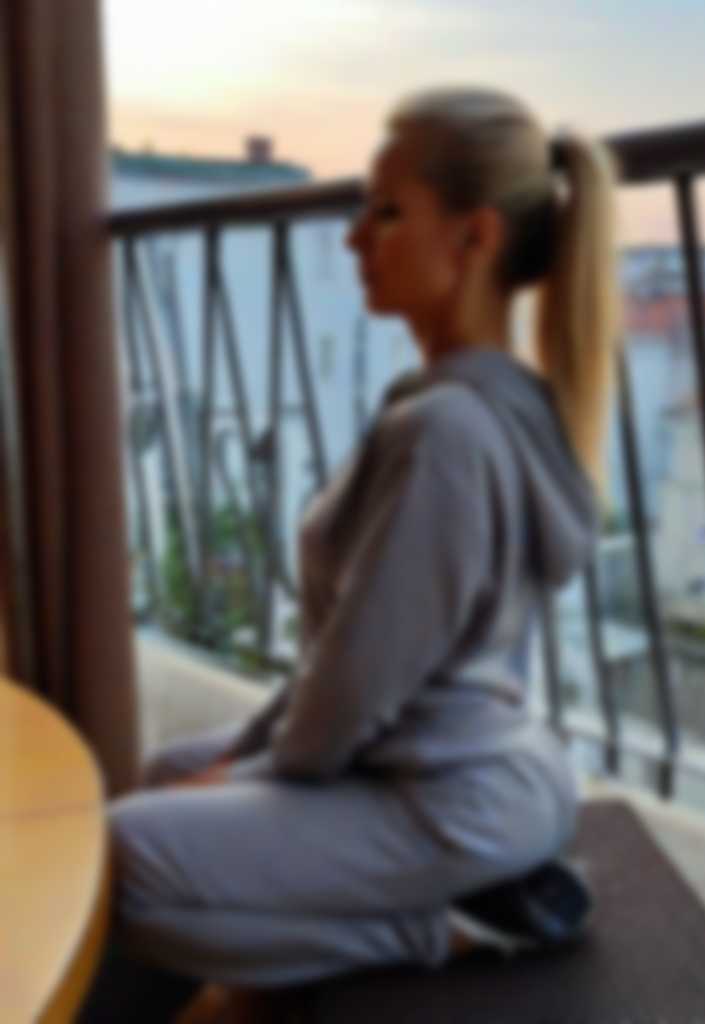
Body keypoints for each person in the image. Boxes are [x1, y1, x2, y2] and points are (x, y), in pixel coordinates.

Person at [77, 85, 621, 1022]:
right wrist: (239, 759)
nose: (353, 238)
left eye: (386, 212)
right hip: (433, 765)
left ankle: (459, 923)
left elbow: (358, 685)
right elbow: (343, 661)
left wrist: (249, 777)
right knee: (170, 772)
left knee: (124, 852)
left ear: (475, 236)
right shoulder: (468, 403)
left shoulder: (448, 433)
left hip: (448, 798)